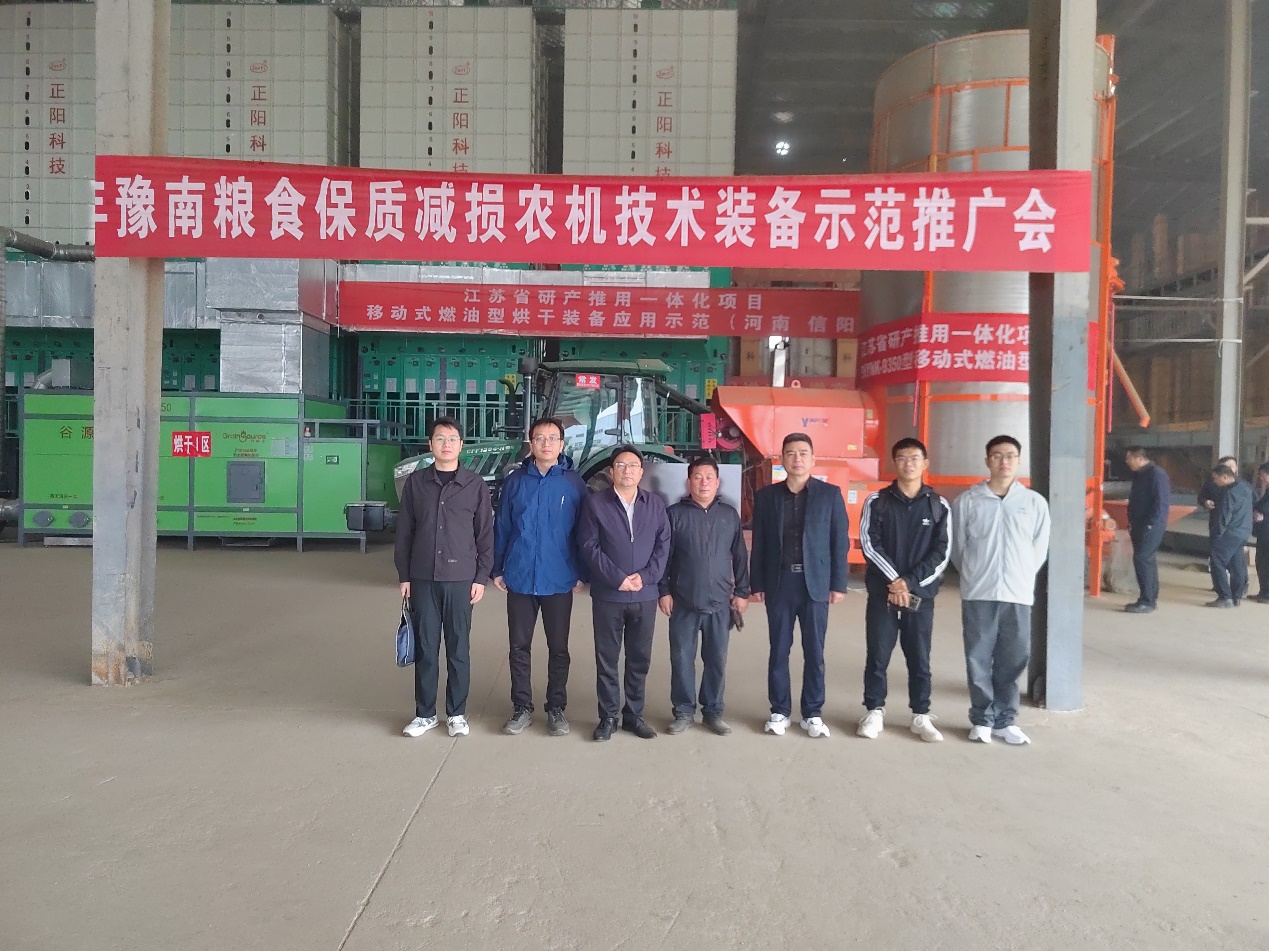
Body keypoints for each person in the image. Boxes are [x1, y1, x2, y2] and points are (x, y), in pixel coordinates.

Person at [396, 416, 494, 739]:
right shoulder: (416, 484)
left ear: (461, 445)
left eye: (452, 439)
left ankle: (456, 713)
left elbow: (485, 535)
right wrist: (404, 575)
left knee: (458, 648)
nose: (446, 444)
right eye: (440, 438)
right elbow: (405, 532)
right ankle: (425, 714)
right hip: (423, 577)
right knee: (426, 648)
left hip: (461, 578)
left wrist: (480, 577)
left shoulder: (475, 485)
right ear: (431, 445)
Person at [950, 435, 1051, 746]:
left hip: (1017, 593)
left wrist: (1022, 574)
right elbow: (957, 547)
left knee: (1015, 656)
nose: (1004, 461)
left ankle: (1005, 720)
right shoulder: (968, 501)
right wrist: (973, 574)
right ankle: (982, 719)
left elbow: (1039, 548)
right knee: (978, 656)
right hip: (979, 591)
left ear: (1018, 461)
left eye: (1010, 456)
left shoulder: (1034, 503)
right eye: (997, 455)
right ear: (987, 461)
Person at [492, 418, 589, 738]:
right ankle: (521, 707)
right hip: (520, 575)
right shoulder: (515, 481)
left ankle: (556, 707)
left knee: (558, 647)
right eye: (539, 438)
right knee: (519, 646)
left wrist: (581, 572)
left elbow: (584, 532)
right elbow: (502, 526)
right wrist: (497, 567)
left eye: (552, 438)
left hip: (559, 577)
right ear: (531, 443)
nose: (546, 443)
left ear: (562, 444)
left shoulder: (573, 483)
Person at [750, 433, 849, 739]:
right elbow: (760, 543)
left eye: (803, 453)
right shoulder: (767, 497)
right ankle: (779, 711)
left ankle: (812, 713)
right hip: (780, 583)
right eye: (791, 453)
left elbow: (839, 542)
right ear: (782, 459)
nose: (797, 459)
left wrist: (838, 583)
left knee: (815, 652)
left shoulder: (829, 495)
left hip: (815, 584)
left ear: (813, 459)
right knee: (779, 650)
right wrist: (757, 582)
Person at [857, 438, 952, 743]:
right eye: (901, 458)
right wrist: (895, 582)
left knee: (919, 658)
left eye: (914, 458)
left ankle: (920, 715)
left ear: (925, 464)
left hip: (920, 597)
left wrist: (908, 583)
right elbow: (870, 545)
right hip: (883, 595)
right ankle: (874, 711)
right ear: (894, 463)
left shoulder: (938, 505)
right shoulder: (877, 501)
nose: (908, 463)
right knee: (878, 655)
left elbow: (942, 553)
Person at [576, 446, 672, 742]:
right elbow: (589, 545)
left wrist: (645, 577)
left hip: (645, 594)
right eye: (620, 465)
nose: (627, 470)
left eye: (632, 465)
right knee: (607, 658)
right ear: (611, 471)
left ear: (641, 472)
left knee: (639, 658)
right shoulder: (595, 504)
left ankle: (633, 715)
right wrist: (617, 578)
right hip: (609, 595)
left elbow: (663, 545)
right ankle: (607, 717)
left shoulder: (655, 504)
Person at [659, 456, 750, 737]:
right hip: (683, 602)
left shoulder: (729, 515)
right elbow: (664, 558)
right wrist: (664, 591)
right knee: (681, 659)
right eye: (697, 477)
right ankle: (683, 712)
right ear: (689, 482)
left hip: (720, 602)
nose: (703, 482)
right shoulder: (674, 514)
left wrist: (742, 592)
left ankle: (713, 712)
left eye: (709, 477)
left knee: (716, 660)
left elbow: (740, 555)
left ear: (717, 482)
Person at [1124, 447, 1171, 614]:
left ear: (1139, 458)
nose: (1127, 462)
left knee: (1142, 559)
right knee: (1147, 560)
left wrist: (1152, 524)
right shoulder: (1139, 475)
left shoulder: (1156, 474)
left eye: (1129, 458)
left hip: (1151, 525)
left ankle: (1147, 601)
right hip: (1138, 524)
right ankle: (1149, 598)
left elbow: (1161, 502)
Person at [1206, 465, 1253, 608]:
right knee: (1236, 563)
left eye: (1216, 478)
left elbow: (1224, 516)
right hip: (1243, 531)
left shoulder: (1230, 493)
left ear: (1225, 477)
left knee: (1216, 560)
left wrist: (1216, 534)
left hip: (1230, 532)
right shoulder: (1245, 487)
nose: (1214, 482)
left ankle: (1224, 596)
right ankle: (1236, 596)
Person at [1253, 463, 1269, 603]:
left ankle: (1267, 594)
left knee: (1265, 562)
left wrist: (1264, 515)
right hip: (1263, 531)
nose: (1260, 478)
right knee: (1261, 562)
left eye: (1262, 474)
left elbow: (1264, 507)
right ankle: (1263, 591)